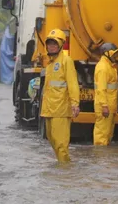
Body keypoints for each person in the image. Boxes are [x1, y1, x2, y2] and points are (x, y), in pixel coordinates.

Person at [40, 28, 80, 162]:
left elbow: (72, 83)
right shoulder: (50, 64)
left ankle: (65, 173)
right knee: (52, 139)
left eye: (55, 43)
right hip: (49, 109)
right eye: (49, 43)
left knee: (61, 144)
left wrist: (75, 103)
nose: (51, 46)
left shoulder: (66, 61)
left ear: (61, 45)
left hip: (61, 110)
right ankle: (61, 168)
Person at [93, 42, 118, 146]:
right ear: (107, 53)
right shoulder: (103, 68)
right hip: (105, 107)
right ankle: (100, 158)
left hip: (109, 107)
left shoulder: (110, 66)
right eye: (114, 54)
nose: (116, 56)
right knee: (101, 137)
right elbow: (101, 89)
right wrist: (104, 106)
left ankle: (104, 159)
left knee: (107, 135)